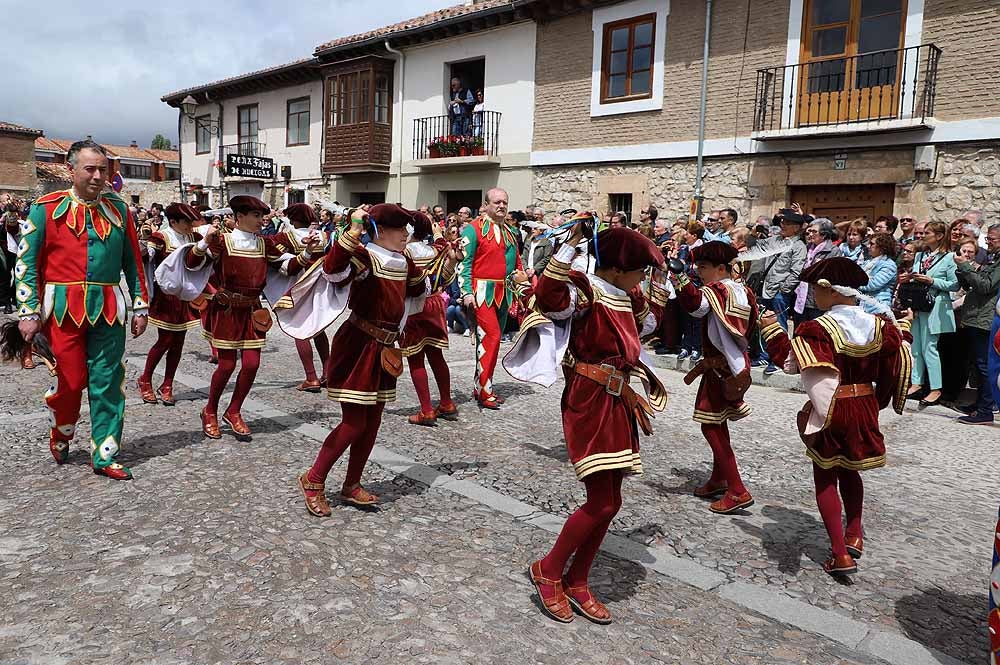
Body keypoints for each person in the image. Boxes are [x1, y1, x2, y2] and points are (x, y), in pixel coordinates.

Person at [508, 225, 668, 624]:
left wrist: (662, 283)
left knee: (611, 501)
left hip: (618, 398)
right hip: (590, 397)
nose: (642, 281)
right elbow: (549, 297)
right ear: (617, 268)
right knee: (601, 500)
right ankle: (549, 569)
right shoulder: (585, 288)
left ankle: (578, 580)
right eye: (640, 272)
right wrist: (568, 247)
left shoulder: (626, 295)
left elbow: (649, 326)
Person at [295, 205, 458, 516]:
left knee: (372, 423)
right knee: (354, 421)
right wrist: (353, 230)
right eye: (400, 230)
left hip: (386, 349)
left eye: (407, 230)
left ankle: (351, 484)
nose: (406, 236)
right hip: (358, 345)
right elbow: (332, 270)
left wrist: (448, 263)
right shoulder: (365, 256)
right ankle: (313, 480)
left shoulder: (404, 261)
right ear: (381, 231)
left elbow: (423, 288)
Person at [760, 257, 912, 576]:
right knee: (852, 470)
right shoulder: (881, 326)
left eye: (816, 289)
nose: (813, 295)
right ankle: (854, 533)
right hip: (865, 404)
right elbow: (893, 363)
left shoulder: (816, 328)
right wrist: (879, 401)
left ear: (830, 290)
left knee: (826, 475)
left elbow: (793, 365)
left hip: (833, 406)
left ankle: (840, 554)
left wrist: (772, 330)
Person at [13, 139, 149, 480]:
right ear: (71, 170)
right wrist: (28, 311)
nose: (98, 175)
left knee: (107, 381)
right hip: (62, 310)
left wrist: (140, 304)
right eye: (90, 168)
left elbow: (133, 261)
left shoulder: (120, 210)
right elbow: (26, 262)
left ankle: (105, 454)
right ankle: (62, 429)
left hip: (108, 310)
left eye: (103, 169)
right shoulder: (45, 208)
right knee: (71, 381)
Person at [184, 196, 320, 440]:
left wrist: (308, 251)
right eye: (256, 216)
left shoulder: (264, 244)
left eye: (262, 215)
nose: (261, 220)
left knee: (252, 364)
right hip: (227, 310)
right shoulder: (222, 241)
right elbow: (193, 263)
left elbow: (288, 267)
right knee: (226, 365)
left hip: (253, 310)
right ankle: (210, 410)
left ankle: (234, 410)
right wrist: (204, 242)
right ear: (239, 217)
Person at [671, 241, 756, 514]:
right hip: (731, 366)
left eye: (704, 268)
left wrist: (680, 277)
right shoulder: (743, 290)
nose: (701, 273)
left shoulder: (718, 289)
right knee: (718, 423)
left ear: (721, 268)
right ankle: (719, 479)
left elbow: (695, 306)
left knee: (711, 426)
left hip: (721, 369)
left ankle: (737, 489)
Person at [457, 188, 522, 409]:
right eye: (497, 202)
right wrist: (466, 292)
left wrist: (522, 276)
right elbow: (464, 265)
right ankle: (485, 391)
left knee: (491, 341)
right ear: (486, 205)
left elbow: (517, 262)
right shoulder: (472, 230)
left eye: (505, 202)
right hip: (481, 294)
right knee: (491, 338)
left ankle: (481, 386)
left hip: (505, 294)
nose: (502, 206)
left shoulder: (511, 231)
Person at [137, 202, 203, 406]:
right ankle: (145, 379)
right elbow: (149, 255)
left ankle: (167, 384)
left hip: (185, 297)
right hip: (166, 297)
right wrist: (141, 247)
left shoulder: (194, 238)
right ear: (173, 222)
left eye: (191, 221)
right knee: (165, 340)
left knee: (178, 343)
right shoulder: (161, 237)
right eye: (186, 222)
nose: (190, 225)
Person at [401, 214, 461, 426]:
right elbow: (444, 276)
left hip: (414, 307)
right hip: (435, 304)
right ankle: (446, 402)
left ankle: (426, 410)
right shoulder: (434, 249)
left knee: (415, 357)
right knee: (436, 356)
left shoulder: (404, 252)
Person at [901, 221, 958, 407]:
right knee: (916, 346)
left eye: (927, 232)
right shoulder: (920, 256)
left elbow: (954, 285)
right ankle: (916, 383)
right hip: (919, 304)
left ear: (940, 236)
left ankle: (935, 388)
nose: (922, 235)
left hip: (936, 307)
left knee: (930, 348)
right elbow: (918, 277)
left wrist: (932, 280)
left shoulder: (949, 257)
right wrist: (909, 277)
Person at [280, 203, 331, 392]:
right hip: (319, 286)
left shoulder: (288, 236)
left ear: (293, 219)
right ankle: (328, 374)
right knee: (319, 329)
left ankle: (311, 377)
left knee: (299, 330)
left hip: (299, 287)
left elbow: (278, 260)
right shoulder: (323, 236)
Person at [953, 224, 1000, 424]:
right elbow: (974, 282)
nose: (988, 242)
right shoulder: (992, 259)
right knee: (978, 364)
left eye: (992, 239)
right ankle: (979, 404)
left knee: (985, 366)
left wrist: (966, 267)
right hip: (977, 317)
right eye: (987, 238)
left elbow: (985, 286)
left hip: (986, 319)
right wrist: (963, 269)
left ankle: (986, 410)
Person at [859, 232, 899, 314]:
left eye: (872, 244)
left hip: (879, 307)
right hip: (862, 306)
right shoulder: (867, 262)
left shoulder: (889, 265)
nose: (868, 246)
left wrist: (854, 283)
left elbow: (872, 285)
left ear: (882, 248)